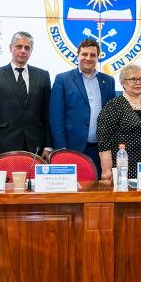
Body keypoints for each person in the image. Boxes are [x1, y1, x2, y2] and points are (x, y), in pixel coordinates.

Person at [0, 31, 52, 163]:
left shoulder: (43, 76)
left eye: (27, 48)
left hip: (36, 145)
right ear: (10, 48)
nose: (23, 51)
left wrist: (48, 145)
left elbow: (47, 113)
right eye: (19, 46)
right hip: (4, 144)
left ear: (31, 51)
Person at [50, 38, 116, 178]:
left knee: (100, 188)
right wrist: (61, 150)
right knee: (72, 188)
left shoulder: (108, 81)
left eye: (93, 55)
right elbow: (56, 118)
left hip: (100, 149)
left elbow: (112, 118)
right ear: (78, 55)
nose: (88, 58)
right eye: (84, 54)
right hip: (72, 147)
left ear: (98, 57)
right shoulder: (63, 79)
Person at [97, 64, 141, 180]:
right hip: (125, 171)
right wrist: (106, 172)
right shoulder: (114, 105)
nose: (138, 82)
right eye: (133, 79)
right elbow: (104, 141)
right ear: (123, 82)